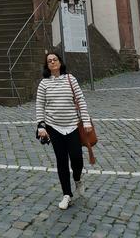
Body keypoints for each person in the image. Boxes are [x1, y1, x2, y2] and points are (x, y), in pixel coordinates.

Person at [36, 51, 92, 210]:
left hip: (73, 126)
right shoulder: (43, 84)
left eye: (55, 59)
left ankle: (78, 179)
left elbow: (80, 99)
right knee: (61, 161)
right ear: (47, 65)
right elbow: (40, 105)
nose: (52, 62)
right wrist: (41, 125)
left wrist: (86, 121)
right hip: (54, 127)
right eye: (49, 61)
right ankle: (67, 194)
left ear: (60, 62)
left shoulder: (70, 79)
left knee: (77, 159)